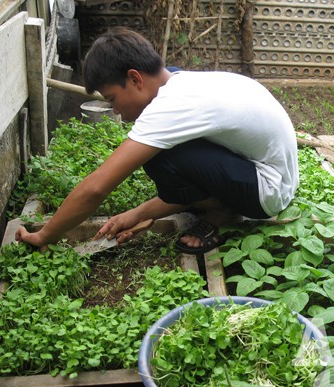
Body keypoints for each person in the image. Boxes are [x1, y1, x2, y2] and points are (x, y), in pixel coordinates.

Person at [16, 27, 299, 254]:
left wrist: (45, 234)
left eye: (112, 99)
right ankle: (216, 202)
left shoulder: (172, 105)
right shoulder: (176, 79)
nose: (115, 110)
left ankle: (220, 213)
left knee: (160, 155)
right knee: (165, 150)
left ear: (135, 78)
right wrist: (137, 213)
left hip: (267, 193)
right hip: (271, 172)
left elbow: (96, 188)